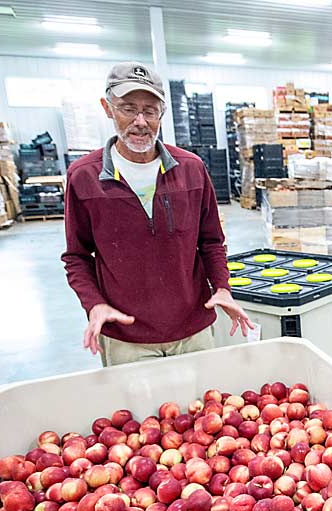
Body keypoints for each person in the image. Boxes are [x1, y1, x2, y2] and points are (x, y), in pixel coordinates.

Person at [61, 62, 251, 367]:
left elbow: (212, 241)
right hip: (127, 337)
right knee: (138, 414)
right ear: (107, 108)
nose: (140, 122)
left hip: (194, 331)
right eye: (128, 108)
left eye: (150, 111)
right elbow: (77, 256)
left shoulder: (191, 169)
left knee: (204, 409)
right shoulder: (84, 177)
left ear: (162, 113)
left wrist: (223, 288)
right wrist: (94, 304)